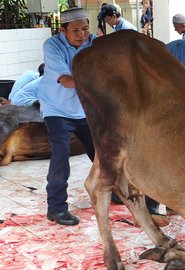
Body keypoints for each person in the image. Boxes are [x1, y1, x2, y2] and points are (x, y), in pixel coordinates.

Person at [38, 7, 97, 226]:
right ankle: (56, 208)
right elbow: (66, 81)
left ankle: (116, 192)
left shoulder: (93, 43)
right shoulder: (52, 46)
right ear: (63, 31)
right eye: (75, 30)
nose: (82, 34)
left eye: (85, 28)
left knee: (101, 153)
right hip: (57, 109)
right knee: (61, 155)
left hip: (83, 109)